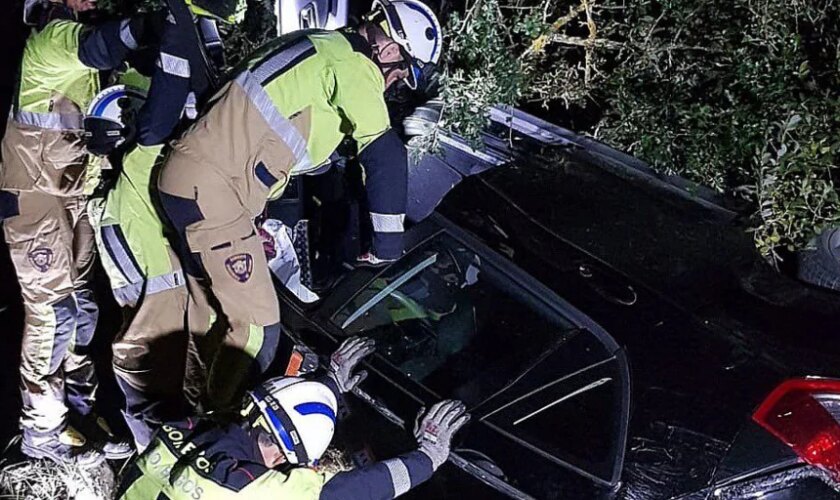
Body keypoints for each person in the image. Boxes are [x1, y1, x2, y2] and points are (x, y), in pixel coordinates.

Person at [156, 0, 443, 411]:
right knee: (259, 331)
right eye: (403, 73)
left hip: (199, 182)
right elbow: (383, 153)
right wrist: (387, 246)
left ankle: (182, 407)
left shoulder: (317, 45)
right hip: (212, 189)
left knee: (209, 313)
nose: (396, 83)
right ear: (391, 49)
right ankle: (215, 428)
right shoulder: (354, 66)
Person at [0, 0, 152, 462]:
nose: (94, 3)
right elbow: (103, 46)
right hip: (35, 201)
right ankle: (41, 429)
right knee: (54, 313)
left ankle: (82, 414)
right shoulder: (52, 41)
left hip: (74, 197)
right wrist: (154, 23)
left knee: (83, 306)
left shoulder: (82, 62)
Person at [117, 337, 471, 499]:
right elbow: (356, 490)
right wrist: (427, 458)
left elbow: (279, 412)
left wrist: (328, 385)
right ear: (287, 456)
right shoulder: (253, 491)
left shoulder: (183, 430)